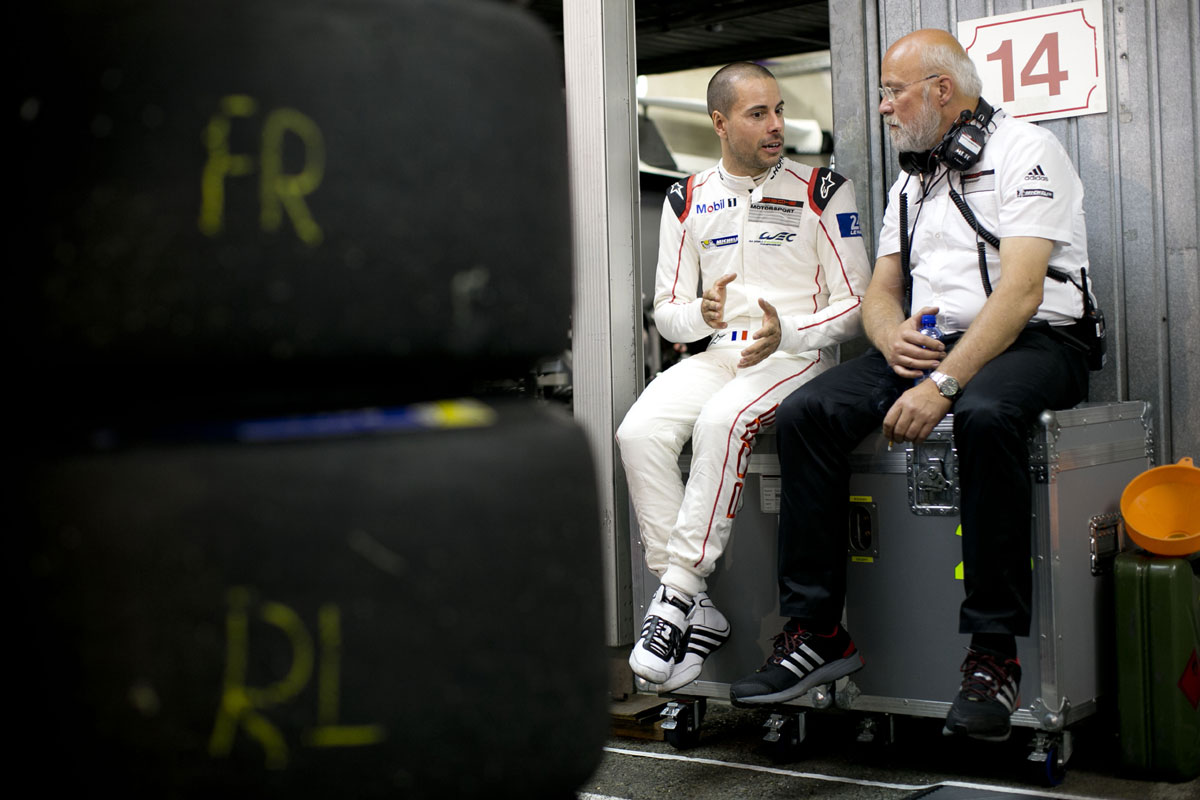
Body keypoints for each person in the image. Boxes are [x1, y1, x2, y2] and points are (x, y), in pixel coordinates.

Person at [729, 29, 1094, 744]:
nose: (886, 105)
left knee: (987, 417)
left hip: (1039, 339)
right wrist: (889, 331)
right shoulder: (913, 178)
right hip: (939, 339)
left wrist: (945, 385)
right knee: (809, 412)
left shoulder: (1027, 152)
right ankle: (816, 632)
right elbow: (880, 292)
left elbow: (1021, 293)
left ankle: (993, 657)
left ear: (941, 90)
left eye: (895, 91)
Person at [618, 62, 872, 692]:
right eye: (758, 114)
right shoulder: (686, 196)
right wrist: (696, 315)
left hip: (797, 357)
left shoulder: (823, 189)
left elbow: (860, 302)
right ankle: (698, 609)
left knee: (721, 419)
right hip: (719, 354)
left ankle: (677, 592)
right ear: (720, 122)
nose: (776, 125)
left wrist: (790, 333)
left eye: (779, 110)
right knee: (638, 431)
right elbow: (668, 308)